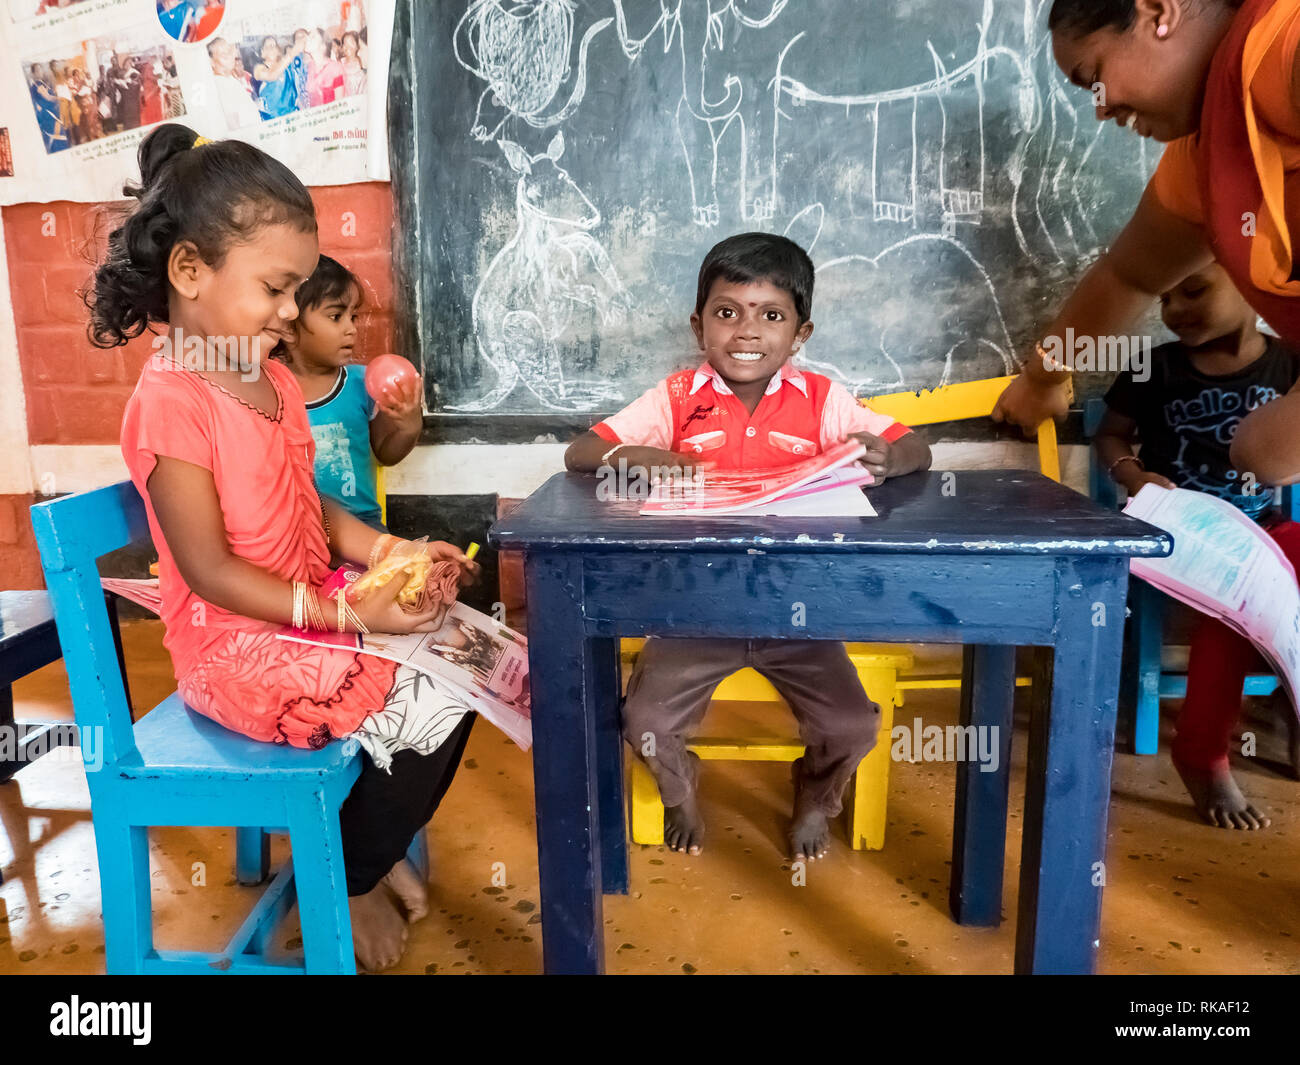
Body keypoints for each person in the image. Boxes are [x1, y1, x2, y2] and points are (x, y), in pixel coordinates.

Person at [87, 123, 482, 972]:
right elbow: (210, 571)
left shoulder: (268, 377)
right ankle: (344, 877)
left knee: (466, 638)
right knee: (427, 687)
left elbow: (317, 504)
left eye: (298, 290)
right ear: (189, 270)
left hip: (304, 604)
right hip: (237, 642)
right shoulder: (171, 400)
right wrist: (342, 607)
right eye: (276, 288)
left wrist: (389, 547)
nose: (292, 312)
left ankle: (353, 860)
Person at [565, 232, 932, 861]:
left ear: (801, 332)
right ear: (698, 325)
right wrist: (643, 454)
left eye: (772, 316)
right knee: (645, 723)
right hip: (692, 608)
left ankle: (816, 798)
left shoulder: (823, 401)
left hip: (801, 614)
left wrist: (889, 457)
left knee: (852, 725)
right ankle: (681, 790)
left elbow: (917, 450)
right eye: (727, 312)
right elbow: (581, 454)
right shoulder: (676, 399)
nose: (747, 332)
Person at [991, 0, 1300, 437]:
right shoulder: (1205, 160)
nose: (1100, 109)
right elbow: (1127, 278)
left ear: (1158, 13)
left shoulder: (1283, 46)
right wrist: (1044, 377)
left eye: (1094, 77)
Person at [1094, 262, 1300, 827]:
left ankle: (1288, 702)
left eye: (1195, 290)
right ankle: (1203, 752)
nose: (1175, 310)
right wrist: (1135, 477)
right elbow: (1108, 433)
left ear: (1251, 283)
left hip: (1260, 529)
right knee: (1238, 585)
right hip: (1173, 533)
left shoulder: (1291, 362)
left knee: (1277, 561)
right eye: (1165, 298)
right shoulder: (1152, 366)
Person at [276, 255, 422, 530]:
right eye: (336, 316)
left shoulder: (362, 382)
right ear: (289, 327)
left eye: (352, 316)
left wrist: (407, 424)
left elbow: (385, 453)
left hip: (364, 528)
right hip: (294, 531)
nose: (351, 329)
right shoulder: (268, 387)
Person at [207, 37, 260, 129]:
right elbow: (234, 127)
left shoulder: (229, 79)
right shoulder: (220, 86)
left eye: (229, 51)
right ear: (211, 62)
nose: (231, 57)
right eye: (224, 54)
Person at [253, 35, 303, 119]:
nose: (272, 48)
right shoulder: (258, 69)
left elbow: (294, 91)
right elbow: (272, 75)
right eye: (268, 46)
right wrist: (291, 54)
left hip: (293, 115)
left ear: (278, 50)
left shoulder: (286, 67)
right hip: (272, 120)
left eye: (274, 45)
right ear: (262, 52)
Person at [29, 64, 68, 153]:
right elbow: (48, 97)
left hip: (51, 114)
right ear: (33, 73)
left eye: (41, 69)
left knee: (57, 139)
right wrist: (61, 98)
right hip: (49, 116)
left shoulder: (41, 83)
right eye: (37, 70)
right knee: (58, 139)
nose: (40, 72)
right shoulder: (37, 84)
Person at [304, 27, 346, 107]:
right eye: (308, 36)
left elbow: (340, 103)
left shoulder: (335, 68)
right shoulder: (309, 66)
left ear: (323, 46)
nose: (307, 39)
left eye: (312, 37)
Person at [340, 30, 366, 96]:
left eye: (351, 43)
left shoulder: (363, 64)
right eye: (345, 44)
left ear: (357, 46)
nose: (348, 46)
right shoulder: (339, 64)